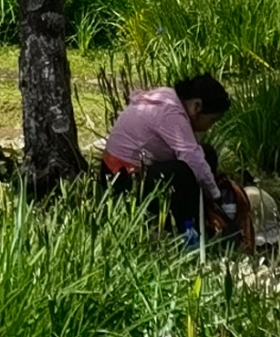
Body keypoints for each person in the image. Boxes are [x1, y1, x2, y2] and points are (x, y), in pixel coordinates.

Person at [101, 74, 242, 240]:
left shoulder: (169, 98)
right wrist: (216, 196)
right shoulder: (170, 114)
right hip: (123, 180)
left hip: (138, 170)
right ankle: (191, 228)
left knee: (206, 154)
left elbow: (195, 153)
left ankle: (203, 216)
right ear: (197, 107)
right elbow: (192, 158)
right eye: (211, 120)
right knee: (181, 172)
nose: (210, 127)